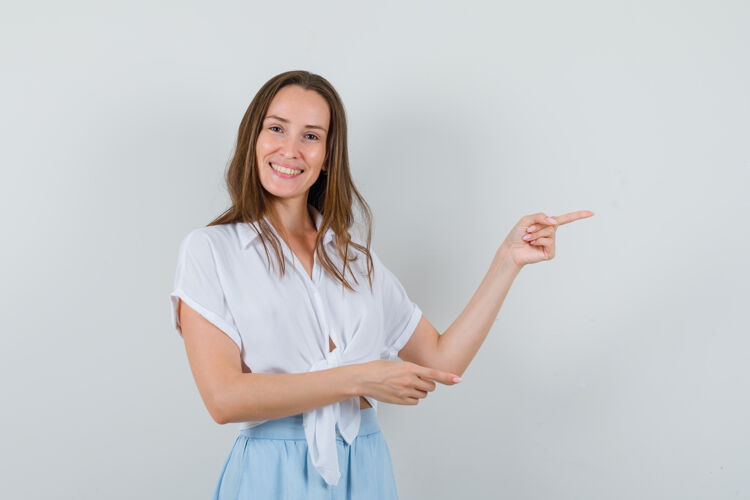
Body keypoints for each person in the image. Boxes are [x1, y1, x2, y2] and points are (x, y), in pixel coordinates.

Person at [169, 69, 594, 499]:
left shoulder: (356, 262)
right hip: (271, 475)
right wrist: (358, 380)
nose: (290, 149)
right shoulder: (211, 251)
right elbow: (223, 399)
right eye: (277, 128)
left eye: (311, 136)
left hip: (365, 468)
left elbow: (442, 360)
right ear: (253, 139)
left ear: (328, 155)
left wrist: (508, 261)